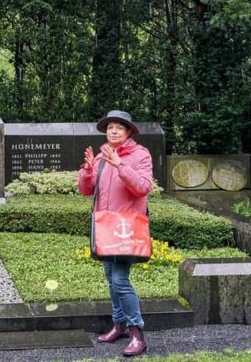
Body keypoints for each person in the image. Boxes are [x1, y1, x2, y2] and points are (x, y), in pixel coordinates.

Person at [78, 110, 154, 357]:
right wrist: (88, 171)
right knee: (111, 279)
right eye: (110, 127)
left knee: (120, 281)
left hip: (126, 229)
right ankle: (119, 325)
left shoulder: (140, 155)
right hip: (106, 228)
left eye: (119, 128)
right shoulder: (101, 156)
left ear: (128, 131)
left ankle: (137, 333)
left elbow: (143, 187)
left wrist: (120, 165)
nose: (113, 131)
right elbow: (86, 191)